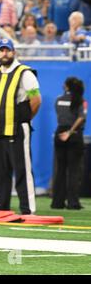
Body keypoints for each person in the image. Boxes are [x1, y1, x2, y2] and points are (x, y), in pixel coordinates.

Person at [0, 39, 42, 215]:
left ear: (14, 52)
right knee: (0, 172)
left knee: (22, 170)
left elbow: (36, 100)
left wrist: (24, 118)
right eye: (1, 50)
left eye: (8, 50)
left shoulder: (25, 73)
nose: (4, 53)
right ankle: (1, 206)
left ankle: (28, 208)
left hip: (17, 129)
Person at [51, 77, 87, 210]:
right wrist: (70, 132)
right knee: (74, 170)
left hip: (59, 133)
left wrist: (64, 131)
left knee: (60, 170)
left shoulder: (58, 100)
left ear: (66, 87)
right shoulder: (81, 101)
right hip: (74, 136)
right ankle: (73, 203)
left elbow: (59, 115)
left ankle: (57, 202)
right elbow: (81, 117)